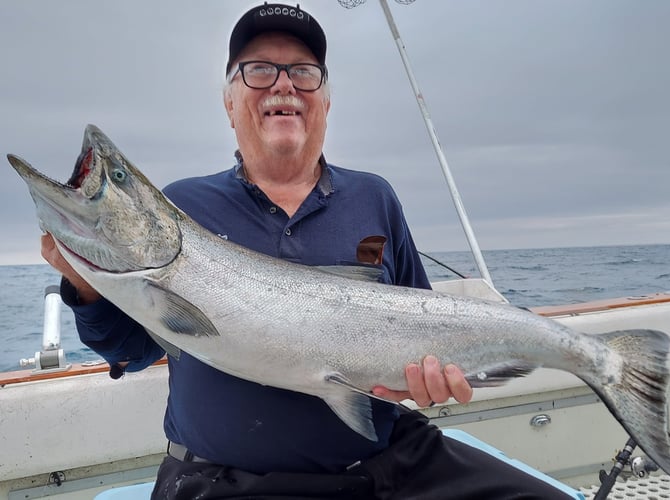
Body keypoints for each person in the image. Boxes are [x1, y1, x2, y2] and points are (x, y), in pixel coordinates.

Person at [41, 3, 575, 499]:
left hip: (386, 464)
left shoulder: (374, 197)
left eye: (303, 71)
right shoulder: (183, 206)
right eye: (258, 70)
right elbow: (130, 355)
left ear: (325, 97)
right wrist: (86, 280)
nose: (283, 85)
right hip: (223, 480)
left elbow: (421, 323)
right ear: (229, 101)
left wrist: (429, 380)